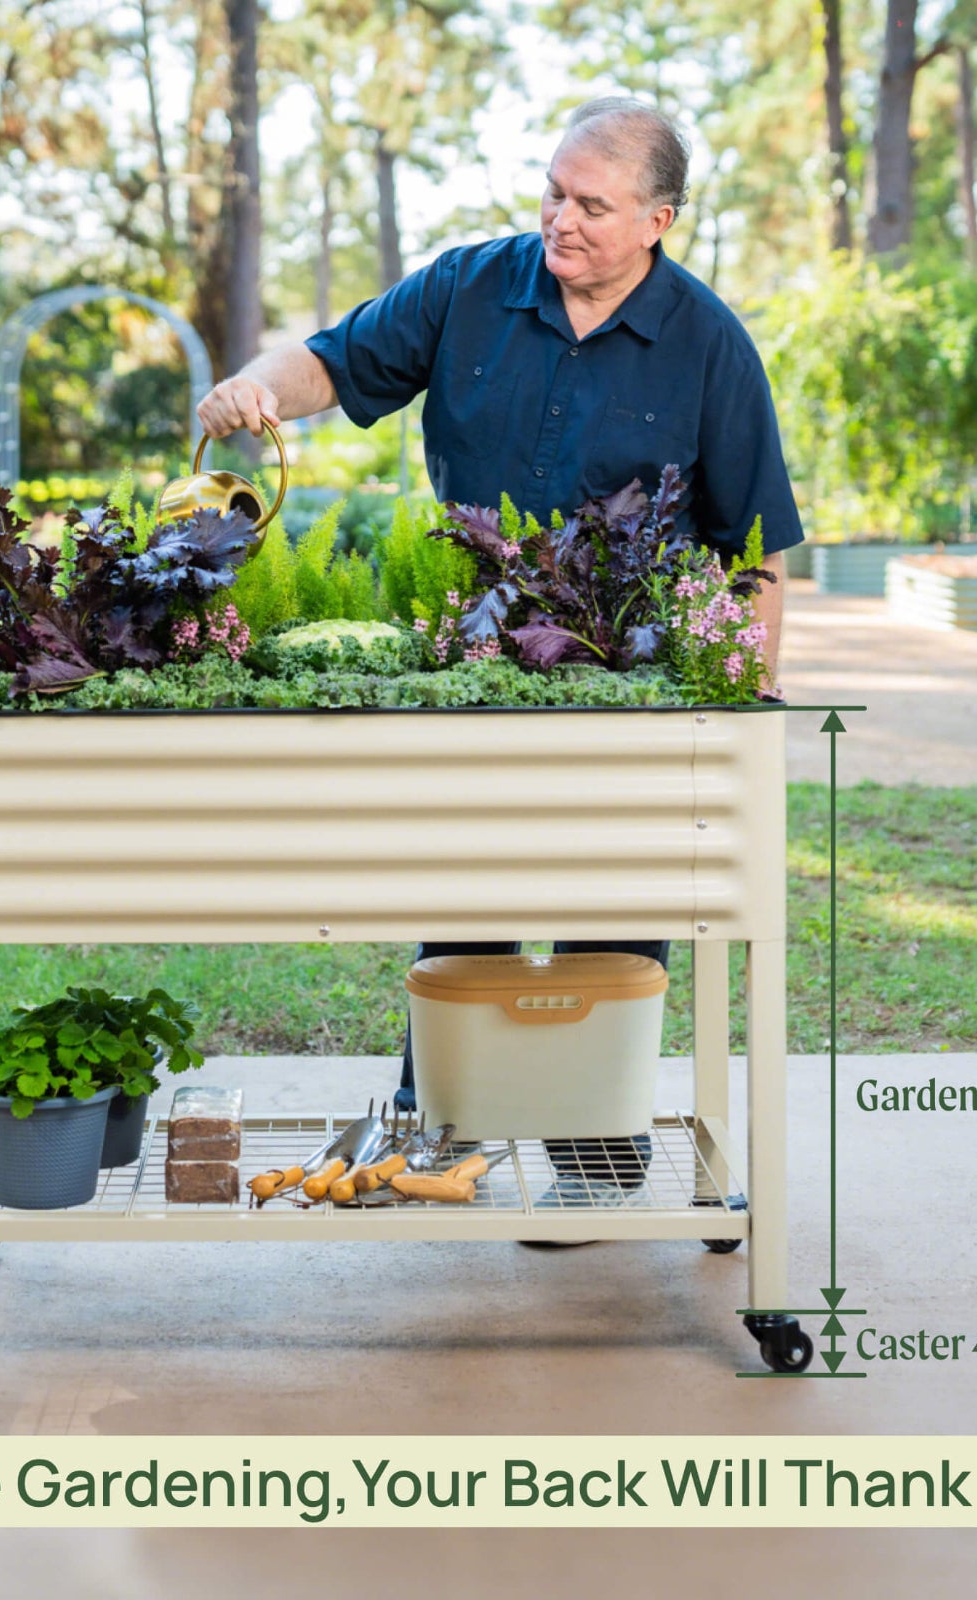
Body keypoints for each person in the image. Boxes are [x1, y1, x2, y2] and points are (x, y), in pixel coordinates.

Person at [197, 96, 803, 1203]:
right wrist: (257, 390)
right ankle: (447, 1130)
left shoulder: (707, 343)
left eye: (592, 204)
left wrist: (750, 715)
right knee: (464, 889)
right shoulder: (471, 285)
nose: (560, 219)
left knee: (612, 913)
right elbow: (332, 363)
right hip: (466, 667)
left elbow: (757, 545)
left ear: (659, 219)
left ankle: (594, 1149)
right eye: (552, 191)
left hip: (625, 682)